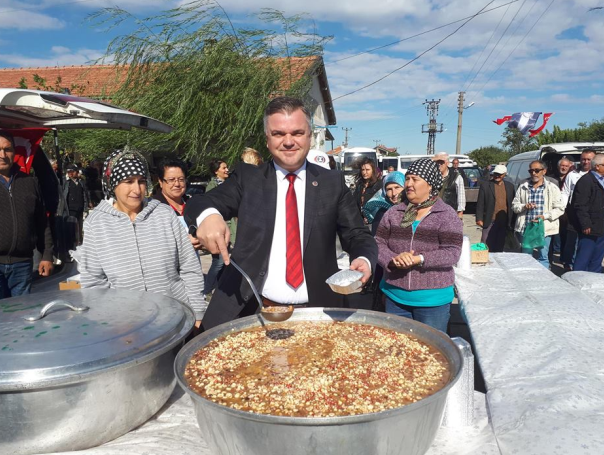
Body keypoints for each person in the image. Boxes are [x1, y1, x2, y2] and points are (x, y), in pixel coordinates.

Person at [185, 96, 377, 330]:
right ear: (267, 139)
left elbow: (358, 235)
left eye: (297, 133)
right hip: (253, 309)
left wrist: (364, 259)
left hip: (318, 312)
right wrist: (209, 216)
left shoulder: (331, 183)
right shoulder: (249, 179)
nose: (288, 141)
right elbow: (202, 201)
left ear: (308, 136)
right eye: (278, 134)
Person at [76, 150, 206, 325]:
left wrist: (197, 312)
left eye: (141, 182)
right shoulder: (97, 223)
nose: (136, 190)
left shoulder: (163, 214)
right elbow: (93, 282)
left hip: (175, 316)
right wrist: (109, 321)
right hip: (126, 324)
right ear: (113, 184)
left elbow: (189, 266)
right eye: (128, 182)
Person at [375, 159, 463, 332]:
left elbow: (453, 252)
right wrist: (392, 259)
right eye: (407, 179)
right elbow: (378, 243)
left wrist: (420, 259)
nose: (408, 184)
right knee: (398, 351)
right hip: (395, 296)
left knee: (430, 353)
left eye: (415, 179)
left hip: (432, 300)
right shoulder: (394, 213)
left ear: (430, 184)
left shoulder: (446, 215)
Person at [0, 131, 53, 298]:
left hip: (23, 265)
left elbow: (41, 222)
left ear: (14, 152)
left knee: (20, 317)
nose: (2, 155)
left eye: (7, 149)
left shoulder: (30, 182)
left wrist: (46, 255)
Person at [512, 160, 565, 269]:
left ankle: (543, 281)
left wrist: (544, 216)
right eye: (531, 171)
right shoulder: (523, 187)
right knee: (526, 257)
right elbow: (514, 206)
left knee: (543, 256)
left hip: (543, 228)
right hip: (526, 228)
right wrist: (524, 206)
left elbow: (560, 208)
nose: (534, 173)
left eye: (537, 170)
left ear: (544, 171)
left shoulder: (552, 187)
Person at [204, 158, 237, 298]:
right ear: (216, 171)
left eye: (227, 167)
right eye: (223, 167)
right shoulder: (212, 187)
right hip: (218, 230)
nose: (226, 170)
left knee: (224, 262)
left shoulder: (228, 184)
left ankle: (218, 289)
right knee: (218, 262)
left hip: (229, 228)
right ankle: (206, 290)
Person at [154, 157, 203, 251]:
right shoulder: (153, 208)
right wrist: (184, 243)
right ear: (160, 182)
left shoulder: (192, 203)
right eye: (171, 180)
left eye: (181, 179)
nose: (177, 184)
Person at [568, 154, 604, 272]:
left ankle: (593, 283)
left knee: (597, 259)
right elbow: (580, 205)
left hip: (600, 226)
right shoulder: (586, 181)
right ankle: (576, 282)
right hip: (589, 227)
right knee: (584, 257)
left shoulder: (601, 180)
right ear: (597, 166)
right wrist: (585, 224)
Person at [561, 149, 596, 270]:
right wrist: (563, 210)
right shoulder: (572, 175)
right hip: (574, 213)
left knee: (588, 243)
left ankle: (585, 266)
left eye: (588, 159)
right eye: (583, 159)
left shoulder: (599, 176)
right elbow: (565, 192)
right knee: (572, 241)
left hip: (592, 214)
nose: (585, 162)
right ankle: (568, 264)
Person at [475, 164, 515, 252]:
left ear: (504, 174)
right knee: (485, 244)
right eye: (495, 173)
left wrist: (512, 222)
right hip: (490, 220)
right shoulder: (485, 186)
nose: (497, 176)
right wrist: (479, 218)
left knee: (500, 244)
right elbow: (480, 203)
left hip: (504, 221)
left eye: (499, 174)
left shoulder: (510, 186)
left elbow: (512, 204)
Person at [362, 171, 406, 236]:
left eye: (397, 187)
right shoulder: (382, 213)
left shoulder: (416, 209)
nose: (394, 193)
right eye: (389, 189)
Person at [63, 163, 91, 244]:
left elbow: (85, 193)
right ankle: (72, 242)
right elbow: (63, 194)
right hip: (70, 208)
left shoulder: (81, 182)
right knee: (71, 226)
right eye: (71, 172)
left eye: (75, 171)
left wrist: (88, 202)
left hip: (80, 207)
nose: (73, 173)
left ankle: (79, 241)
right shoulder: (66, 182)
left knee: (80, 225)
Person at [551, 157, 573, 258]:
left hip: (567, 211)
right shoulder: (551, 178)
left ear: (570, 167)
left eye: (566, 166)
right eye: (562, 165)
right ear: (558, 166)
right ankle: (554, 251)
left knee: (565, 233)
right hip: (553, 209)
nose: (564, 168)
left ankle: (564, 256)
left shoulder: (572, 178)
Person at [433, 152, 465, 218]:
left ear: (447, 163)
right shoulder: (432, 176)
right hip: (434, 213)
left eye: (441, 162)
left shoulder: (456, 176)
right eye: (436, 162)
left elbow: (461, 195)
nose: (439, 165)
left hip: (450, 213)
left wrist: (460, 213)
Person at [353, 157, 382, 224]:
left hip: (374, 221)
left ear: (373, 170)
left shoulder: (379, 184)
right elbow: (354, 202)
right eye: (363, 170)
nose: (364, 172)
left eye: (367, 170)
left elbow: (380, 204)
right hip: (360, 220)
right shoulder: (360, 184)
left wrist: (370, 216)